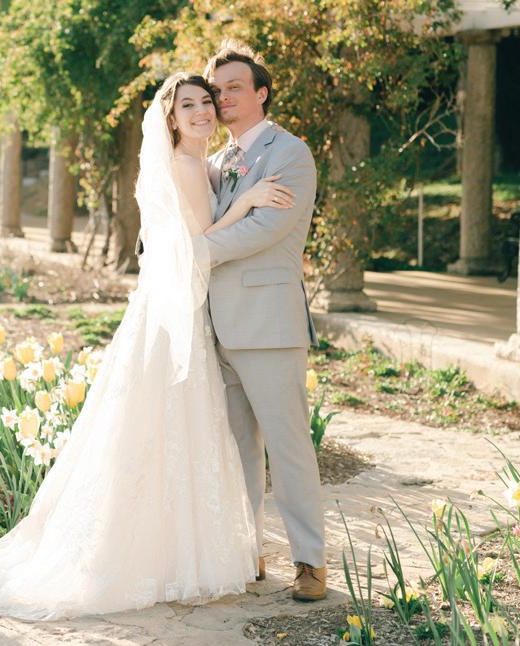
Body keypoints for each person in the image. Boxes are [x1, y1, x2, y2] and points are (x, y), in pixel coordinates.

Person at [0, 72, 295, 620]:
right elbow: (198, 245)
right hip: (175, 316)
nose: (202, 111)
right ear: (171, 118)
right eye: (189, 105)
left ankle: (159, 550)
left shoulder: (195, 163)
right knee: (168, 425)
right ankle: (160, 557)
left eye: (206, 101)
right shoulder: (187, 165)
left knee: (155, 427)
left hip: (167, 310)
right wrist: (247, 204)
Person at [204, 41, 327, 602]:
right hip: (215, 326)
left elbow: (264, 230)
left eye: (234, 87)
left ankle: (310, 562)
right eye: (217, 89)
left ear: (261, 93)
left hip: (269, 323)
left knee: (288, 445)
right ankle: (246, 551)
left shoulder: (290, 153)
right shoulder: (214, 162)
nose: (223, 97)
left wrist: (192, 252)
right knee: (237, 451)